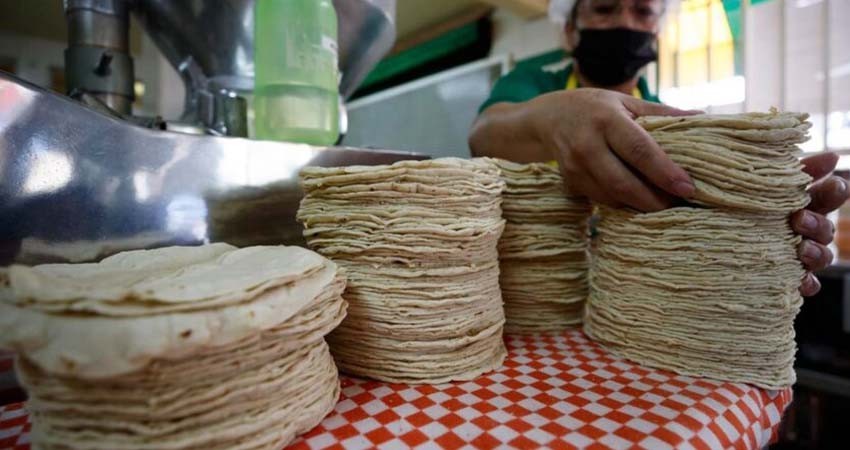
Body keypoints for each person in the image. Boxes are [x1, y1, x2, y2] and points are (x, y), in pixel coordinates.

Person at [469, 0, 848, 296]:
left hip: (631, 302)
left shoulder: (670, 122)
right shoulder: (535, 82)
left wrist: (761, 226)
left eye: (643, 11)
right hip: (534, 297)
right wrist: (553, 119)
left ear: (657, 30)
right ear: (570, 29)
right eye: (604, 8)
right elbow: (484, 134)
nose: (625, 22)